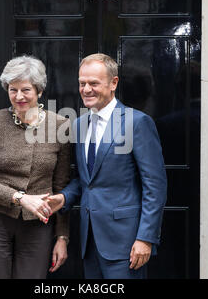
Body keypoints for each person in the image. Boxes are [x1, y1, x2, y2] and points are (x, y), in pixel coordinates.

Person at [48, 53, 167, 279]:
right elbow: (87, 181)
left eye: (94, 83)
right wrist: (63, 198)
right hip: (88, 241)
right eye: (82, 83)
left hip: (127, 243)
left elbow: (155, 185)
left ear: (114, 83)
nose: (86, 89)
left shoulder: (137, 122)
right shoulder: (80, 124)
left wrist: (145, 238)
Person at [0, 55, 71, 279]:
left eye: (25, 90)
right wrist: (20, 198)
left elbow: (61, 185)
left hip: (38, 225)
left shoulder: (60, 125)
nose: (18, 96)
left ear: (39, 91)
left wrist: (62, 237)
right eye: (12, 90)